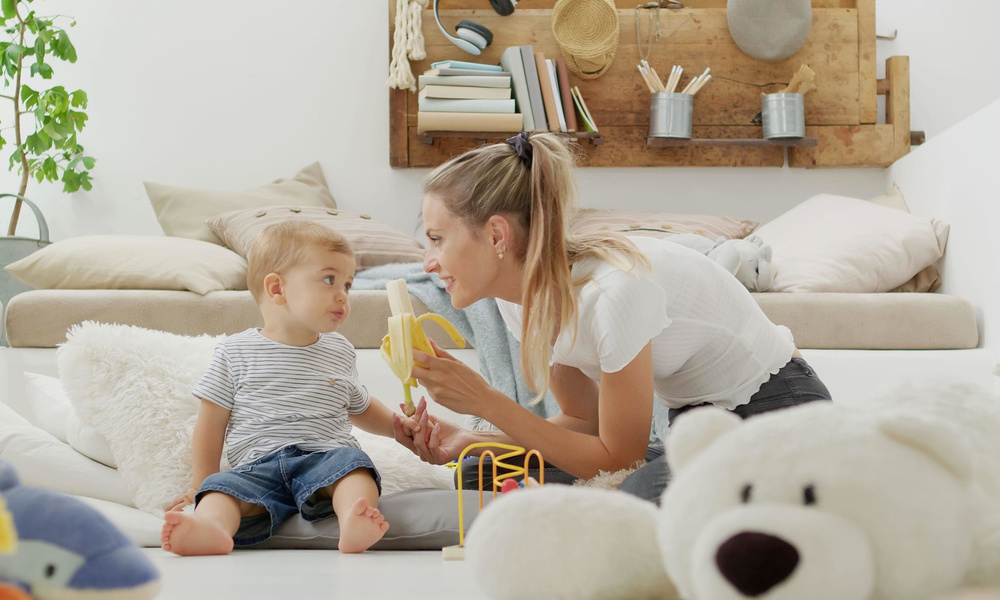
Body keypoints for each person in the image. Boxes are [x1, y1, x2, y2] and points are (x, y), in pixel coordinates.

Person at [392, 131, 832, 503]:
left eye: (436, 239)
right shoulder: (520, 299)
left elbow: (619, 460)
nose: (428, 262)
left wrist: (488, 403)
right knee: (478, 474)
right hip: (698, 428)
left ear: (496, 234)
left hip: (775, 412)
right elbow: (583, 421)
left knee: (637, 495)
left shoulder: (613, 291)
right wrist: (475, 440)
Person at [161, 221, 416, 555]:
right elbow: (210, 423)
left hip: (324, 457)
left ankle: (354, 519)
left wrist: (400, 428)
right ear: (277, 289)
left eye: (348, 285)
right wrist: (200, 484)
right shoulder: (235, 352)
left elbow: (361, 406)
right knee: (221, 490)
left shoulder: (339, 349)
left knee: (356, 467)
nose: (342, 294)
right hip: (257, 466)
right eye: (329, 280)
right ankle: (210, 529)